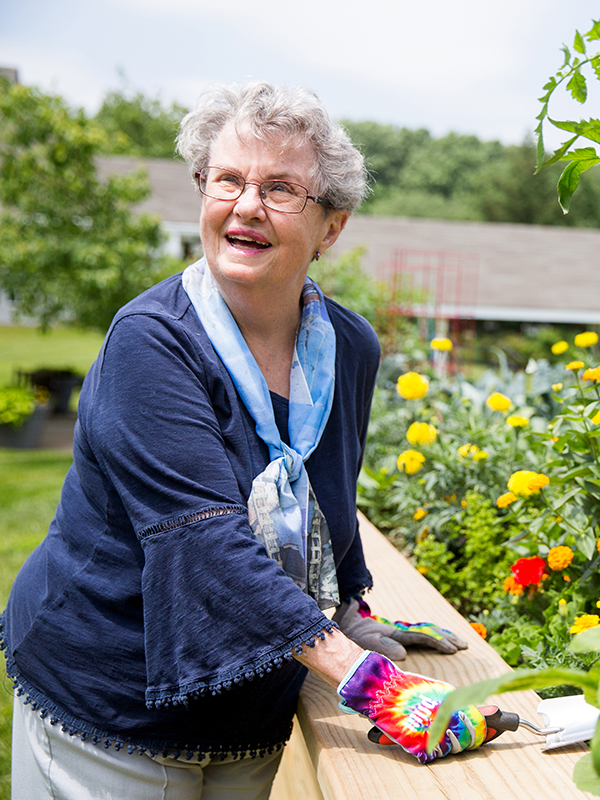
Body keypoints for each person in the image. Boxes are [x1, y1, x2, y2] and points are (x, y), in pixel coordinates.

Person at [2, 81, 486, 800]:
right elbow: (204, 541)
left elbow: (332, 487)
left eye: (282, 188)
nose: (246, 204)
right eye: (227, 179)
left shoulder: (347, 343)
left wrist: (353, 603)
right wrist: (366, 681)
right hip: (111, 699)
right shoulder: (153, 343)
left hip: (256, 696)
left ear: (331, 226)